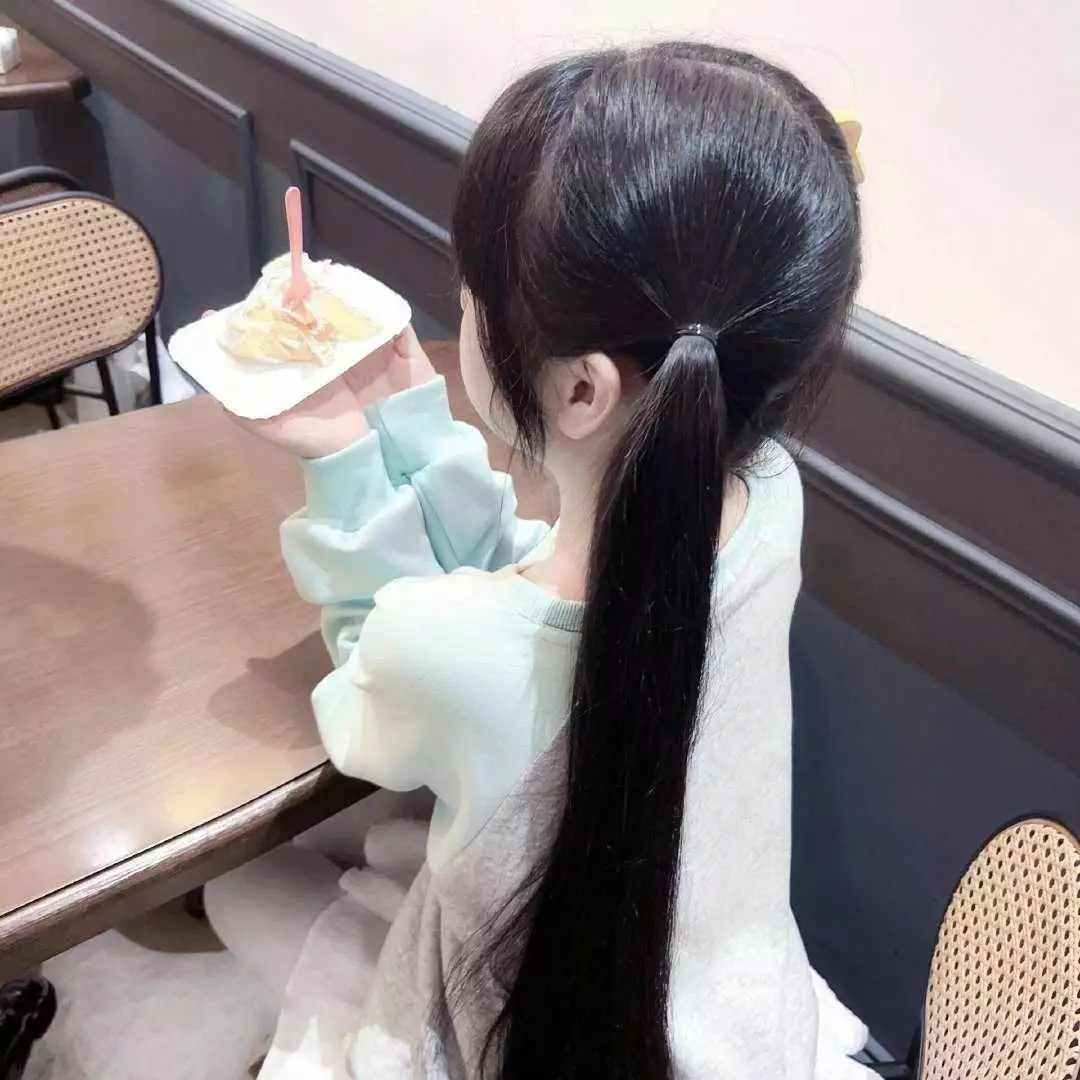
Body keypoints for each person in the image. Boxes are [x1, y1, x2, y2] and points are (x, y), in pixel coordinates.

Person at [206, 42, 873, 1080]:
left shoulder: (448, 650)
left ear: (580, 389)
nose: (461, 310)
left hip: (527, 1031)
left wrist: (348, 460)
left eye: (473, 293)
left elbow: (370, 699)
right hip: (743, 1019)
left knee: (232, 888)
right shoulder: (770, 499)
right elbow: (536, 588)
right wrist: (410, 424)